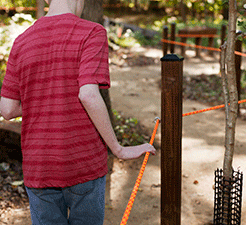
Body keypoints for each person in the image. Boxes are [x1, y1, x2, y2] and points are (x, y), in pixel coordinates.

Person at [0, 0, 156, 224]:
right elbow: (88, 95)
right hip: (84, 164)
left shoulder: (22, 41)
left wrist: (43, 98)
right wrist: (118, 149)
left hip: (39, 166)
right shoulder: (92, 32)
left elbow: (7, 109)